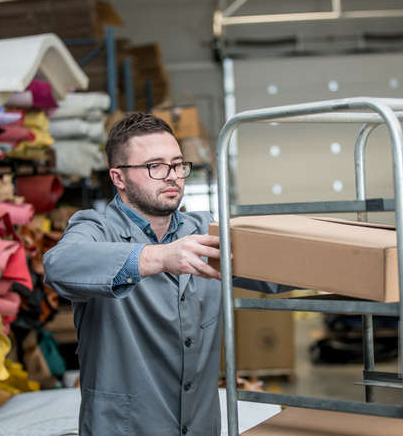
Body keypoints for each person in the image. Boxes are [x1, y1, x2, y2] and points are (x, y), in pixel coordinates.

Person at [43, 112, 285, 436]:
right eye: (154, 166)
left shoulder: (204, 228)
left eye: (177, 164)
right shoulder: (95, 227)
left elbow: (279, 268)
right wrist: (159, 257)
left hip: (201, 426)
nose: (171, 176)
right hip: (125, 428)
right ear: (119, 177)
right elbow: (59, 265)